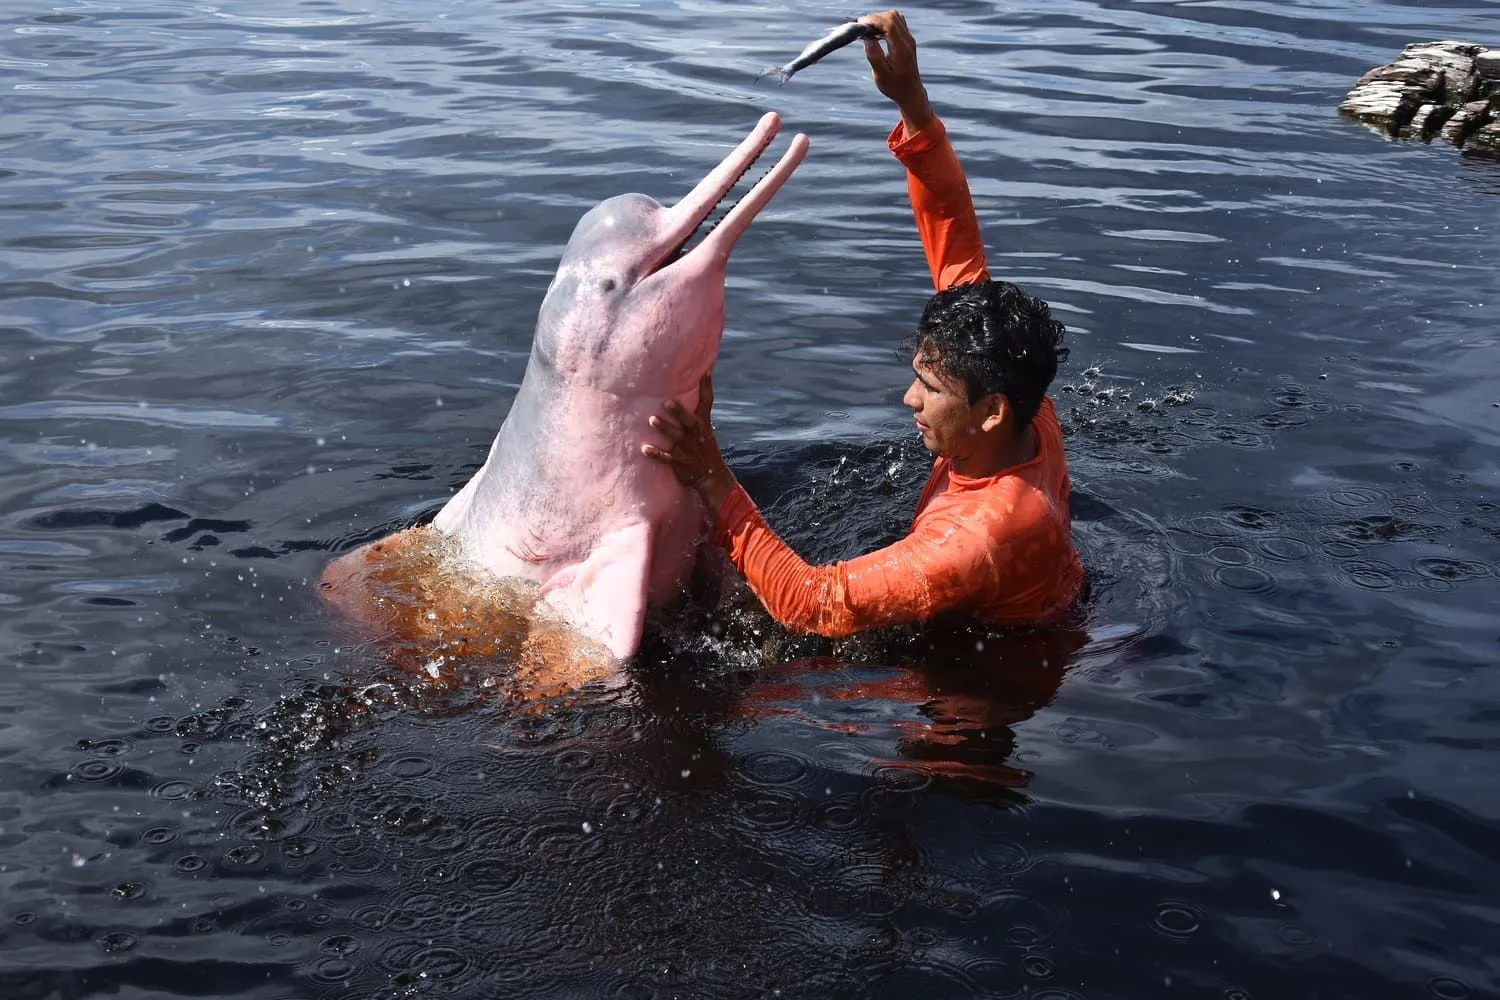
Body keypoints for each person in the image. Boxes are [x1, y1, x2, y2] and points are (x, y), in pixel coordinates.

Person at [643, 9, 1085, 640]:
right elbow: (955, 239)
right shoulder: (1019, 400)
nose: (910, 399)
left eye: (931, 388)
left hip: (997, 671)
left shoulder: (980, 536)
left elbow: (812, 606)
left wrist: (710, 472)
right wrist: (911, 101)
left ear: (990, 411)